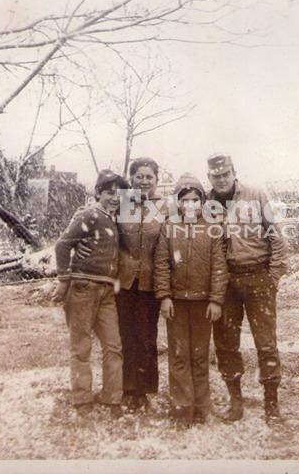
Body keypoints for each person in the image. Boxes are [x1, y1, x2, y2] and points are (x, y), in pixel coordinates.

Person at [205, 153, 288, 423]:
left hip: (258, 276)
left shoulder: (255, 194)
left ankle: (271, 405)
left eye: (225, 173)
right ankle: (236, 403)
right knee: (226, 344)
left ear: (233, 172)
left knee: (266, 343)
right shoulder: (205, 204)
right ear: (209, 177)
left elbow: (276, 237)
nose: (221, 179)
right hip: (225, 281)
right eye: (215, 175)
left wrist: (273, 277)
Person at [53, 169, 129, 419]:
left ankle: (112, 397)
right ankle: (82, 399)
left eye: (118, 194)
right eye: (109, 193)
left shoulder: (116, 219)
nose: (115, 198)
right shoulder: (89, 215)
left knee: (114, 344)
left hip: (107, 291)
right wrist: (64, 279)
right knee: (81, 346)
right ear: (98, 193)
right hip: (83, 288)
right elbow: (63, 245)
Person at [154, 173, 227, 427]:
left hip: (202, 304)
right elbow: (161, 265)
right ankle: (182, 408)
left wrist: (216, 300)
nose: (191, 206)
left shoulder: (212, 229)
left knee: (199, 355)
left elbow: (219, 266)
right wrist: (164, 296)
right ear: (178, 202)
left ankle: (201, 407)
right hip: (176, 303)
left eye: (195, 200)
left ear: (202, 201)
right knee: (179, 355)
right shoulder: (168, 228)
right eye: (185, 200)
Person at [115, 157, 167, 413]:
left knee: (147, 336)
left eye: (149, 177)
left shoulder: (164, 207)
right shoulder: (121, 204)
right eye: (139, 176)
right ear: (131, 178)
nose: (144, 181)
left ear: (157, 180)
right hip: (123, 283)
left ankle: (144, 390)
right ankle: (127, 388)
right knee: (126, 335)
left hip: (150, 282)